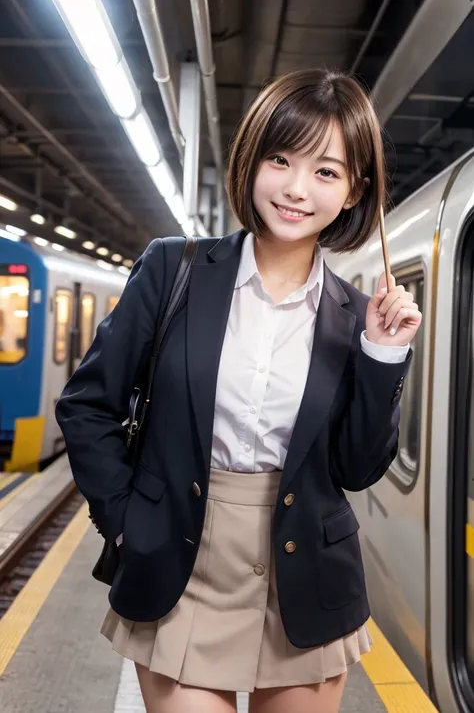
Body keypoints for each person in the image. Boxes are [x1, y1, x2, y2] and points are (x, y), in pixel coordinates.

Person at [56, 68, 422, 713]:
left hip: (308, 572)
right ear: (252, 160)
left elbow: (359, 469)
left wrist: (383, 355)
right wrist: (122, 521)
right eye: (280, 158)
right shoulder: (174, 268)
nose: (295, 188)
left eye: (326, 171)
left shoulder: (355, 315)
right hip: (179, 560)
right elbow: (89, 406)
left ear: (355, 190)